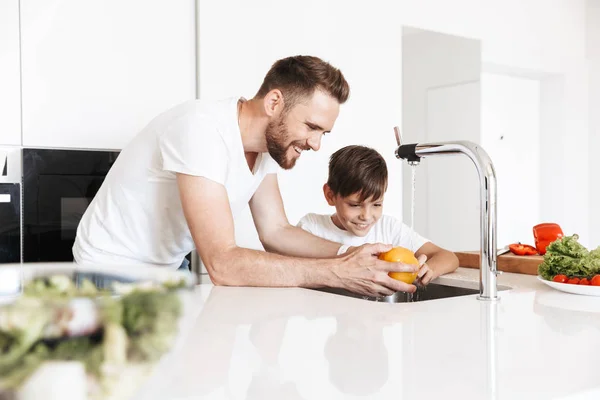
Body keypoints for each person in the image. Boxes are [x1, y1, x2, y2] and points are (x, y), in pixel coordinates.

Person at [73, 55, 419, 297]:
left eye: (323, 133)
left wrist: (348, 252)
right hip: (110, 273)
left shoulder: (268, 150)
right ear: (274, 103)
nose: (315, 144)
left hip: (166, 271)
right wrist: (333, 272)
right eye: (312, 127)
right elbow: (222, 263)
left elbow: (277, 232)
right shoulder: (201, 130)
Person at [297, 145, 459, 285]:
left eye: (377, 204)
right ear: (330, 195)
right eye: (354, 205)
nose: (366, 216)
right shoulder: (311, 227)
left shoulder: (388, 228)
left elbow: (448, 257)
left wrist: (429, 269)